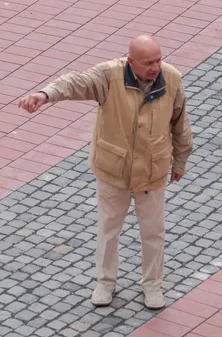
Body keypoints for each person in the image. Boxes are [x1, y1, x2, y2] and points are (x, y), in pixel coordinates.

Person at [19, 35, 193, 310]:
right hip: (114, 169)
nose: (156, 67)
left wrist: (180, 162)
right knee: (109, 229)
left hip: (151, 170)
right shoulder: (109, 76)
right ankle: (105, 282)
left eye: (158, 60)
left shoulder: (171, 79)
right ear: (130, 61)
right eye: (148, 63)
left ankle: (153, 286)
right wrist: (45, 94)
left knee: (153, 232)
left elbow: (180, 123)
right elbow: (75, 83)